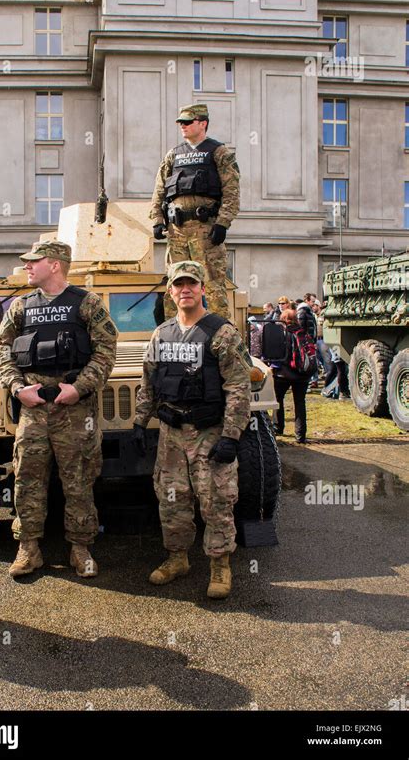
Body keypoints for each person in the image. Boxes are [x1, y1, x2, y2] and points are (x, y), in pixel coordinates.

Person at [0, 241, 118, 579]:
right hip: (33, 411)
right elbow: (3, 350)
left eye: (34, 262)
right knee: (27, 479)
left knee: (79, 481)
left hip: (75, 411)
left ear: (54, 264)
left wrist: (79, 388)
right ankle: (28, 548)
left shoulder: (87, 304)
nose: (27, 267)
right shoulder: (21, 307)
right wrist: (18, 388)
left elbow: (107, 350)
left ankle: (81, 548)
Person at [132, 261, 252, 599]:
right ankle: (177, 558)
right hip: (171, 434)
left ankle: (219, 566)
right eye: (178, 284)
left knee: (215, 500)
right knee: (172, 499)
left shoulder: (222, 332)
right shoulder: (162, 334)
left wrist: (231, 435)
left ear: (201, 289)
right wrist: (140, 422)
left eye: (191, 284)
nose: (185, 290)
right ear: (170, 292)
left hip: (208, 431)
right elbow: (149, 383)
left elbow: (238, 387)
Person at [150, 103, 240, 320]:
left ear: (203, 123)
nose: (183, 126)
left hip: (206, 230)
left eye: (188, 122)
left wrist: (222, 223)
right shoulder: (173, 155)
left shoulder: (219, 152)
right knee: (176, 283)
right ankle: (175, 332)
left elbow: (232, 191)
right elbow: (159, 189)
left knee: (212, 284)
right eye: (181, 122)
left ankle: (221, 333)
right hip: (177, 231)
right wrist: (157, 219)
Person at [271, 308, 310, 443]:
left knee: (278, 399)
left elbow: (276, 354)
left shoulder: (282, 334)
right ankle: (300, 434)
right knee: (300, 403)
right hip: (302, 374)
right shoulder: (303, 333)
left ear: (283, 319)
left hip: (284, 373)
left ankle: (278, 426)